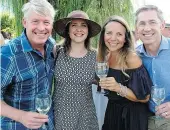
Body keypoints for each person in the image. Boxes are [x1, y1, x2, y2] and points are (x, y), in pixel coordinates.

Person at [0, 0, 55, 129]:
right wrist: (21, 116)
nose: (41, 28)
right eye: (35, 21)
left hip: (47, 125)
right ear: (25, 22)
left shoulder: (51, 46)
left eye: (46, 22)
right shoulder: (8, 55)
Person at [97, 15, 152, 130]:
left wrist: (118, 88)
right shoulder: (105, 57)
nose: (113, 38)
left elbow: (145, 97)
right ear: (103, 36)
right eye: (109, 33)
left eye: (119, 34)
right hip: (112, 112)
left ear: (125, 38)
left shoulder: (131, 58)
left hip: (132, 117)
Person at [53, 10, 101, 130]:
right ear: (67, 30)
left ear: (88, 31)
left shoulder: (96, 56)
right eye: (74, 25)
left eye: (83, 25)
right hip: (60, 117)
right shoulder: (56, 52)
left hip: (86, 118)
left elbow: (103, 82)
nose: (79, 29)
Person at [135, 5, 170, 130]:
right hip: (145, 119)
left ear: (162, 25)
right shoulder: (134, 56)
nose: (147, 28)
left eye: (152, 22)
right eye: (142, 23)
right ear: (137, 29)